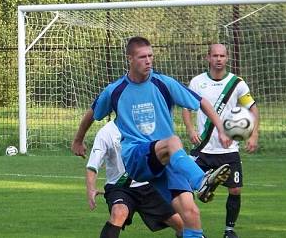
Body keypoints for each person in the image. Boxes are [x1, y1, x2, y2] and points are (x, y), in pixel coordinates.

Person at [73, 36, 232, 238]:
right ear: (129, 58)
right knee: (174, 142)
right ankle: (201, 181)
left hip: (167, 160)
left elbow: (201, 102)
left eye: (150, 56)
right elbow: (92, 113)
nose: (148, 61)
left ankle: (200, 199)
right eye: (142, 57)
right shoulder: (116, 90)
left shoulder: (163, 83)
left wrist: (221, 128)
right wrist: (78, 140)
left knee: (191, 213)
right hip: (136, 157)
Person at [182, 43, 260, 238]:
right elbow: (186, 108)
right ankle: (188, 230)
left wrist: (254, 134)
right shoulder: (197, 82)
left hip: (229, 150)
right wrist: (191, 129)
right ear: (208, 58)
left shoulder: (237, 83)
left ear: (227, 58)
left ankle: (229, 231)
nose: (218, 59)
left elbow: (252, 108)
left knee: (235, 189)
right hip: (202, 149)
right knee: (183, 188)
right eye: (215, 55)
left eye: (222, 56)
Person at [85, 120, 184, 237]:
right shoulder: (106, 132)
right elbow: (92, 164)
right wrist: (91, 189)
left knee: (182, 224)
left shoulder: (146, 126)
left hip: (148, 184)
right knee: (119, 213)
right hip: (119, 187)